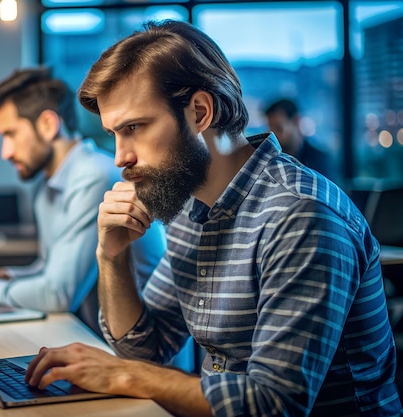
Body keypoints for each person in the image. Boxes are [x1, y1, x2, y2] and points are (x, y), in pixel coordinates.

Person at [24, 21, 402, 416]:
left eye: (134, 128)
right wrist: (112, 255)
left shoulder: (300, 214)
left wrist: (123, 375)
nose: (120, 158)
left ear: (200, 112)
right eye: (114, 134)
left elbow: (274, 404)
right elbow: (145, 348)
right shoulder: (189, 206)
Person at [0, 67, 165, 324]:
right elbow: (50, 271)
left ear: (47, 124)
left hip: (138, 352)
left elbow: (59, 293)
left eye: (10, 134)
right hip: (93, 337)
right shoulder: (47, 188)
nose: (6, 152)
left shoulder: (95, 175)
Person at [264, 98, 338, 183]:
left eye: (279, 128)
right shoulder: (272, 160)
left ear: (296, 121)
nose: (273, 135)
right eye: (270, 129)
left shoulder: (319, 161)